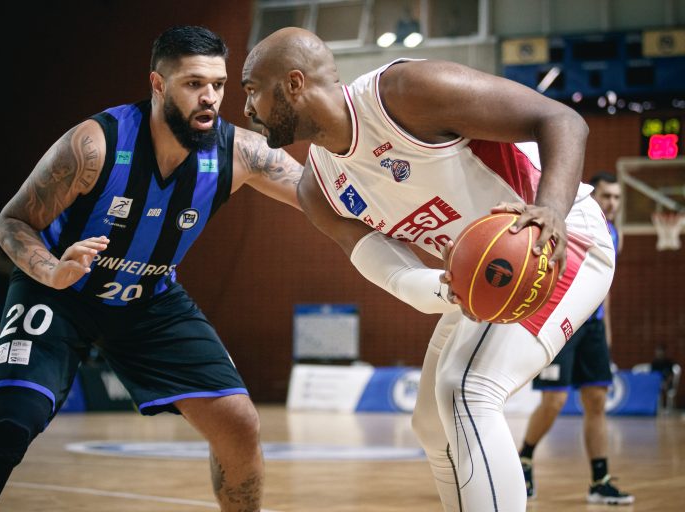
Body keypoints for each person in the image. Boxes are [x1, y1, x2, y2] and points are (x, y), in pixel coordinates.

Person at [242, 28, 616, 512]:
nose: (246, 108)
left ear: (294, 84)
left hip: (560, 242)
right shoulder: (318, 188)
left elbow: (562, 120)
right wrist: (445, 290)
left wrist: (550, 212)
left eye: (253, 90)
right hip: (484, 282)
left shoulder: (403, 94)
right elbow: (393, 273)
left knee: (466, 389)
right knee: (432, 422)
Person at [0, 25, 302, 512]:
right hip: (60, 292)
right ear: (158, 84)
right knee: (12, 419)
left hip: (148, 298)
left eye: (218, 85)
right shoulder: (95, 145)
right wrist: (51, 271)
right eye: (194, 83)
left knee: (239, 423)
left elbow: (321, 196)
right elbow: (13, 221)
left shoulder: (239, 151)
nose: (210, 98)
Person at [518, 171, 633, 505]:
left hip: (592, 325)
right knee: (554, 401)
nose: (612, 203)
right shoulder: (567, 222)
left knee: (596, 400)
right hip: (560, 322)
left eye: (617, 197)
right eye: (606, 196)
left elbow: (604, 286)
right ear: (592, 198)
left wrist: (606, 330)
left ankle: (600, 480)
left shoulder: (614, 234)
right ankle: (524, 458)